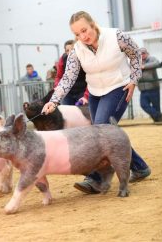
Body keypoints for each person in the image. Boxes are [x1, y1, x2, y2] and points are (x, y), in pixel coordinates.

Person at [42, 11, 151, 194]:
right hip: (95, 93)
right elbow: (67, 78)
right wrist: (54, 101)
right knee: (105, 133)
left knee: (101, 130)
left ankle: (96, 179)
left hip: (119, 87)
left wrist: (134, 79)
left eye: (85, 30)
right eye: (77, 34)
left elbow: (135, 55)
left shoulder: (117, 36)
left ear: (93, 24)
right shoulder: (77, 50)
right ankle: (139, 167)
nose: (83, 36)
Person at [54, 40, 89, 105]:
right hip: (68, 93)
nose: (70, 52)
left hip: (82, 92)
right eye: (67, 50)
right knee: (67, 113)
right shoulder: (63, 59)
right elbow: (59, 76)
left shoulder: (84, 58)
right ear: (65, 52)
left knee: (82, 113)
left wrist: (86, 96)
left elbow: (91, 79)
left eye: (73, 50)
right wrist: (57, 86)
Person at [138, 47, 162, 122]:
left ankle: (158, 120)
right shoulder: (137, 62)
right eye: (140, 54)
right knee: (143, 105)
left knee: (156, 106)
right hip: (143, 90)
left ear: (147, 53)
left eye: (143, 53)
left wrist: (144, 66)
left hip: (153, 88)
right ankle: (159, 115)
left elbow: (157, 63)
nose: (142, 55)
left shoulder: (152, 59)